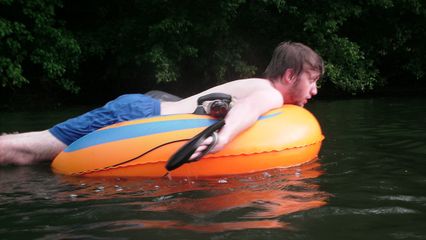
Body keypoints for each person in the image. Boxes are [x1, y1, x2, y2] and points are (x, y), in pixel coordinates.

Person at [0, 41, 324, 165]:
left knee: (36, 153)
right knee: (29, 150)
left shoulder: (262, 89)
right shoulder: (268, 92)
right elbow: (247, 111)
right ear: (290, 74)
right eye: (312, 80)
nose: (314, 90)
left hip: (146, 108)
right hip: (137, 114)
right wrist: (221, 138)